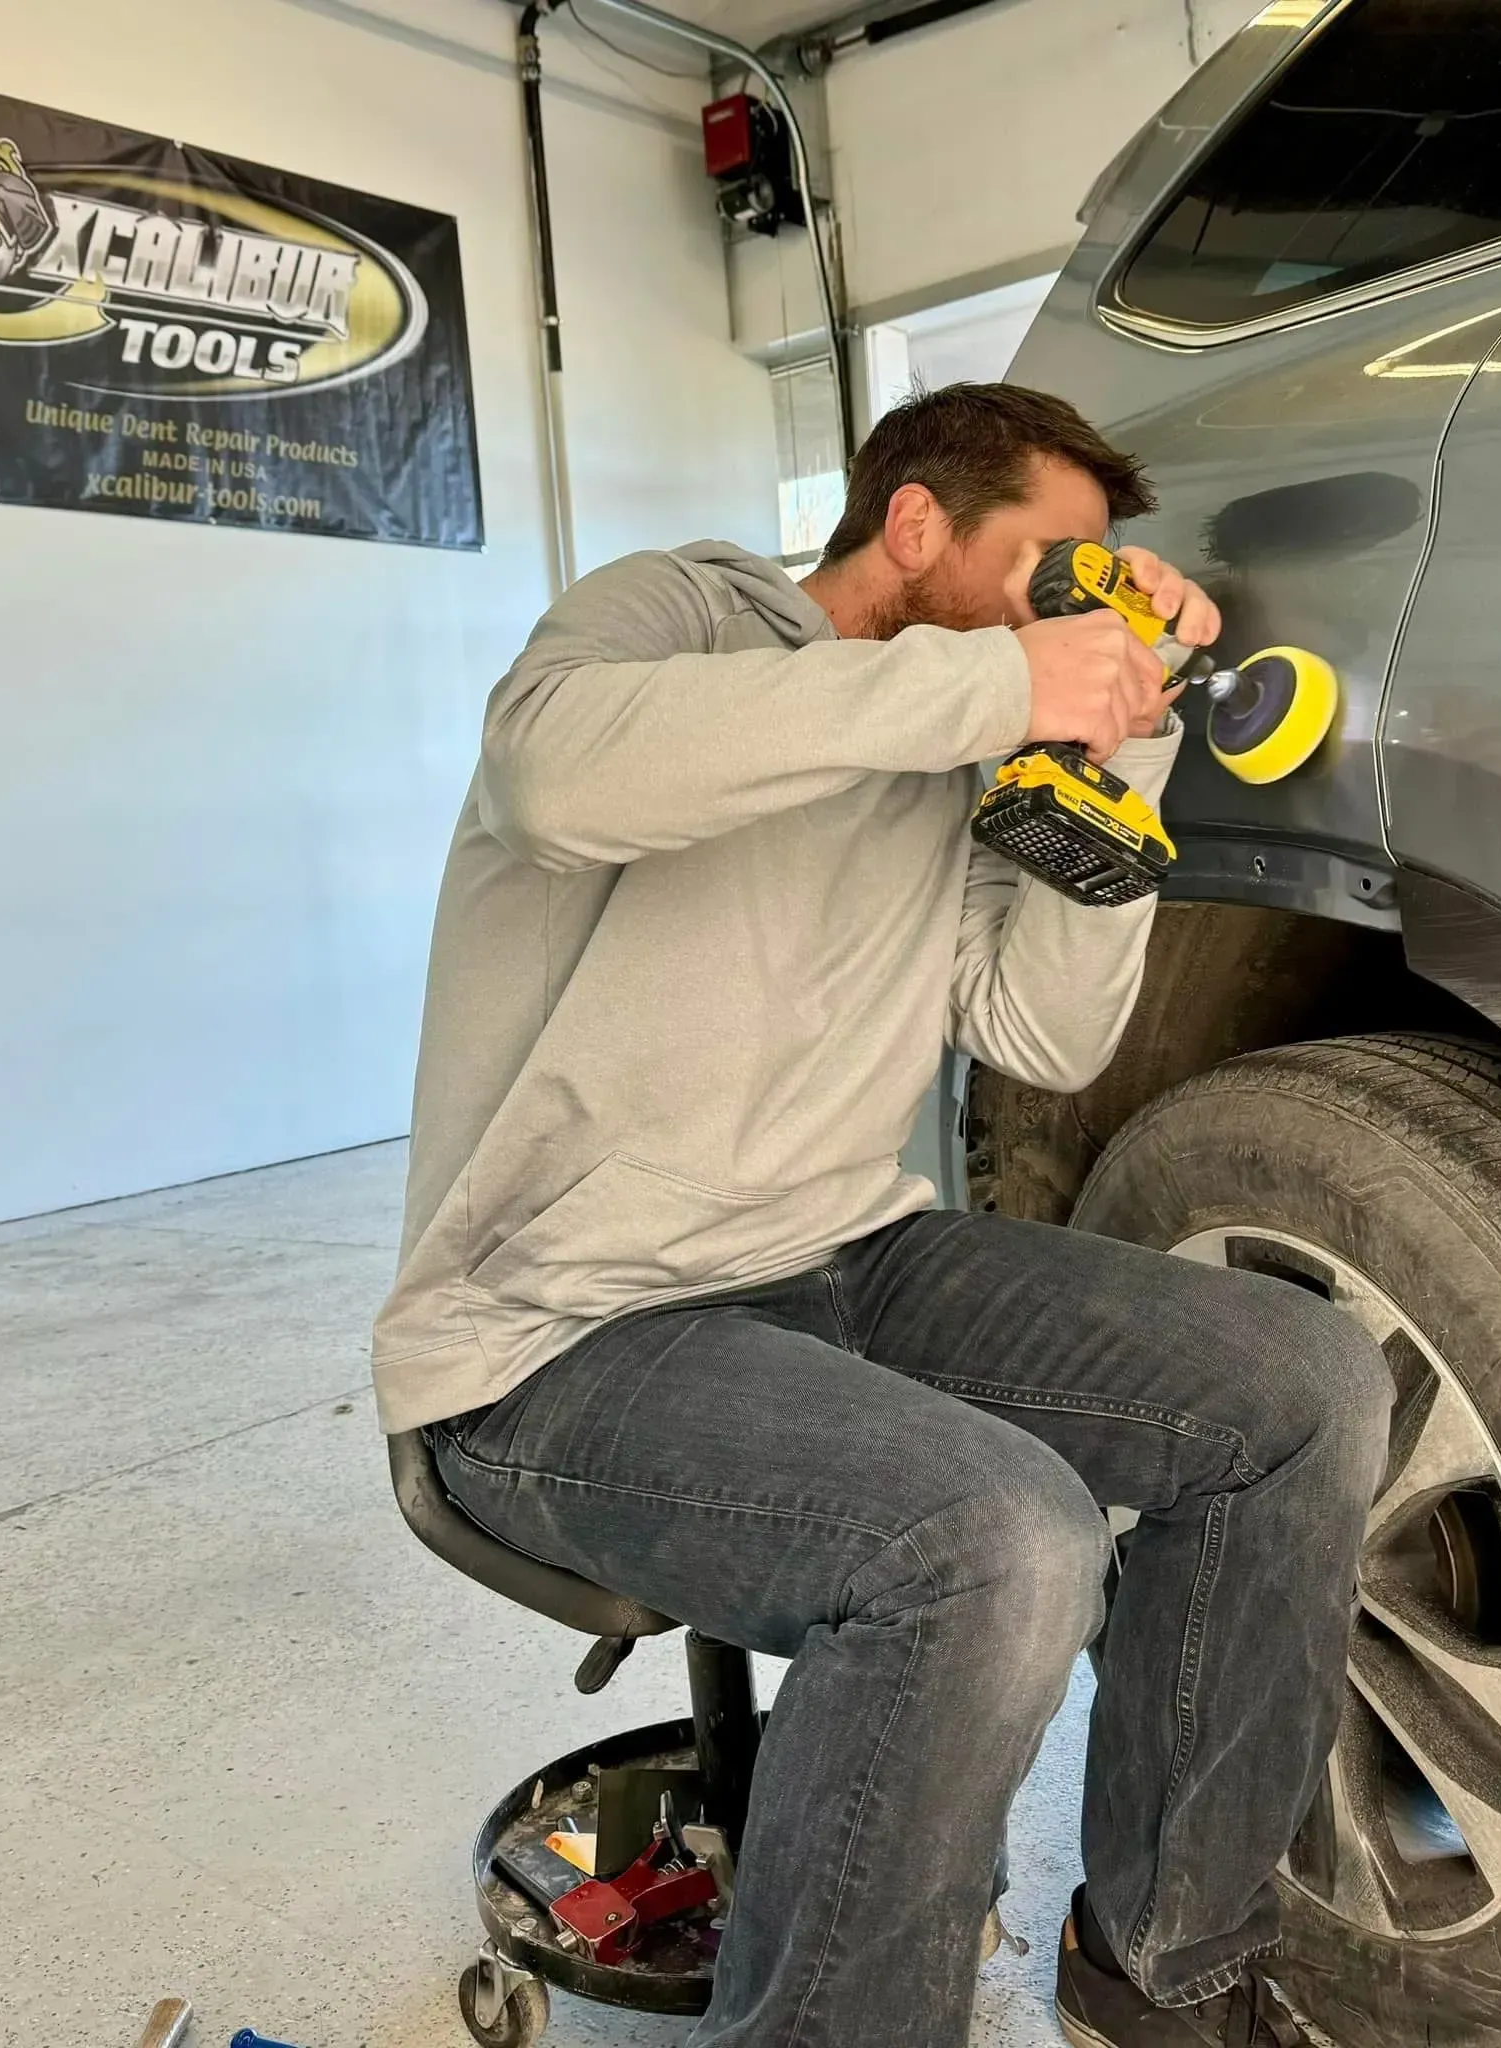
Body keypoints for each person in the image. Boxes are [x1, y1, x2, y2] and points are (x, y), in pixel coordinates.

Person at [374, 382, 1392, 2048]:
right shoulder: (677, 611)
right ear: (915, 524)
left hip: (851, 1254)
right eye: (1048, 562)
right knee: (994, 1542)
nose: (1069, 603)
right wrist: (996, 677)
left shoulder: (965, 750)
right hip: (558, 1329)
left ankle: (1165, 1969)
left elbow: (1042, 1034)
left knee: (1303, 1388)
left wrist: (1114, 744)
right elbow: (551, 778)